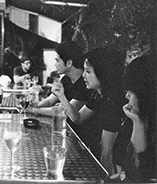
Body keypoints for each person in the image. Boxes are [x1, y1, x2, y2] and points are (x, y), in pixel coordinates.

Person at [52, 47, 132, 175]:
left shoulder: (114, 102)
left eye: (88, 71)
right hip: (97, 159)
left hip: (115, 170)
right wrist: (61, 96)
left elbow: (106, 152)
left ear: (103, 73)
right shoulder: (100, 95)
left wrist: (104, 180)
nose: (83, 75)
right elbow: (77, 118)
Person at [108, 55, 156, 183]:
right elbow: (133, 170)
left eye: (131, 91)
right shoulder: (140, 120)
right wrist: (137, 121)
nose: (127, 95)